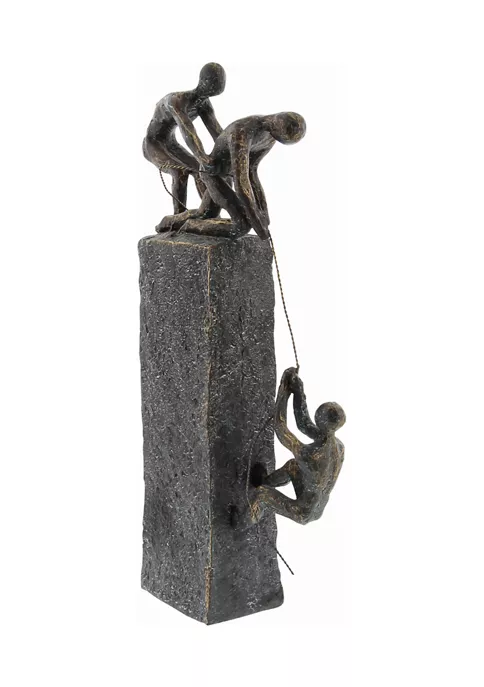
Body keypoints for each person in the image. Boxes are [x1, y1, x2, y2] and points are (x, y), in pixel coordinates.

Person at [166, 112, 306, 239]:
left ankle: (168, 222)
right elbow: (241, 183)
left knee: (205, 214)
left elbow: (251, 171)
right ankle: (189, 226)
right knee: (241, 226)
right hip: (213, 174)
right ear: (276, 125)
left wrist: (263, 213)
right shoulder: (242, 132)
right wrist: (257, 222)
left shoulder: (270, 137)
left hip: (226, 176)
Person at [250, 367, 345, 525]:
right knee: (293, 466)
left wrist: (283, 393)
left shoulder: (312, 456)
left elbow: (282, 430)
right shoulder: (338, 446)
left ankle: (239, 523)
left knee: (262, 496)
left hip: (302, 511)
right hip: (316, 507)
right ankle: (264, 481)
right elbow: (304, 424)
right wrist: (298, 391)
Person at [142, 63, 226, 225]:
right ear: (203, 81)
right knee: (180, 172)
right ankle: (177, 219)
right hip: (153, 144)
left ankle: (209, 214)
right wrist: (202, 157)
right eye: (213, 85)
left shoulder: (204, 104)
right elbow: (188, 131)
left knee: (200, 171)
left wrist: (227, 152)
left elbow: (216, 131)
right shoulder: (177, 100)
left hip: (171, 143)